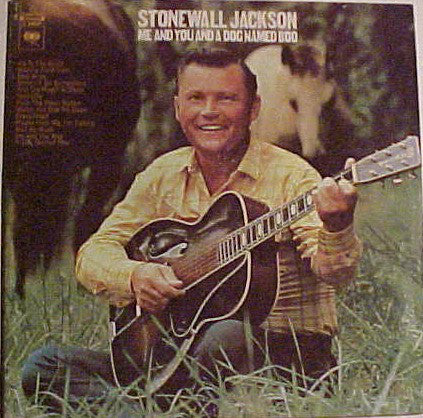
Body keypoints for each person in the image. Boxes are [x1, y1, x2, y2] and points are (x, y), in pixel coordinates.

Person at [21, 48, 362, 414]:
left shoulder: (295, 177)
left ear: (253, 109)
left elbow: (335, 272)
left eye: (226, 99)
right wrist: (134, 276)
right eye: (196, 98)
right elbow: (93, 253)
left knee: (228, 334)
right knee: (44, 366)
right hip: (172, 351)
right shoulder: (162, 174)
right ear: (178, 108)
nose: (209, 111)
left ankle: (144, 411)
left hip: (283, 358)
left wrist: (336, 225)